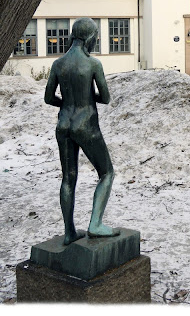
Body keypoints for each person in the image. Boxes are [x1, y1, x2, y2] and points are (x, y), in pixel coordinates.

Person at [44, 17, 120, 245]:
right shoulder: (93, 64)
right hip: (85, 124)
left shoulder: (58, 64)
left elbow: (48, 98)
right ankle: (95, 224)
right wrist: (87, 99)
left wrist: (68, 102)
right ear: (90, 38)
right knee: (106, 173)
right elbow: (105, 98)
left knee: (68, 178)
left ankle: (69, 232)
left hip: (64, 124)